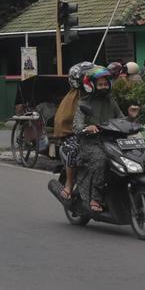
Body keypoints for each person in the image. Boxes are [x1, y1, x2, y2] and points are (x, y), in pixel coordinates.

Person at [72, 64, 120, 213]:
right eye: (100, 84)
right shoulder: (83, 103)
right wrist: (87, 128)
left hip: (110, 141)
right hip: (89, 143)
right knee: (101, 161)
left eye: (106, 84)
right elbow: (76, 126)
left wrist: (132, 118)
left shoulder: (111, 101)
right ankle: (95, 198)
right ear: (92, 85)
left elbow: (121, 119)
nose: (104, 87)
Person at [54, 62, 92, 202]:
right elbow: (66, 120)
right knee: (72, 150)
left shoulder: (102, 94)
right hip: (75, 135)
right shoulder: (74, 98)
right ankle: (69, 184)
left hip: (99, 134)